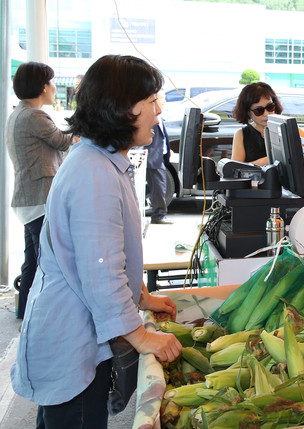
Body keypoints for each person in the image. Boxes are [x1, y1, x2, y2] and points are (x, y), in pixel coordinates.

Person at [11, 55, 182, 429]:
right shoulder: (94, 175)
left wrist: (141, 296)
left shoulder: (100, 160)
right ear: (123, 109)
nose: (158, 114)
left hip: (83, 327)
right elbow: (100, 270)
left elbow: (111, 252)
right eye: (152, 102)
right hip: (72, 339)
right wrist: (139, 335)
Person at [5, 61, 76, 319]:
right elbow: (63, 141)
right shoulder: (34, 115)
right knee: (48, 263)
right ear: (43, 86)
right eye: (52, 81)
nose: (54, 87)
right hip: (39, 198)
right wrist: (83, 124)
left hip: (28, 198)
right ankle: (43, 318)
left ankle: (26, 313)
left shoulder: (19, 113)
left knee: (32, 262)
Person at [231, 82, 304, 165]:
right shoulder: (242, 134)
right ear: (248, 112)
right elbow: (236, 169)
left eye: (270, 107)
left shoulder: (285, 127)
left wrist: (292, 139)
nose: (266, 114)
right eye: (259, 110)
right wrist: (264, 162)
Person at [145, 89, 173, 224]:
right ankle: (159, 215)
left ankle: (159, 213)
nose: (164, 102)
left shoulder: (160, 117)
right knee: (158, 187)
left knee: (160, 187)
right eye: (162, 99)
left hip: (160, 157)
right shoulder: (150, 116)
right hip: (153, 158)